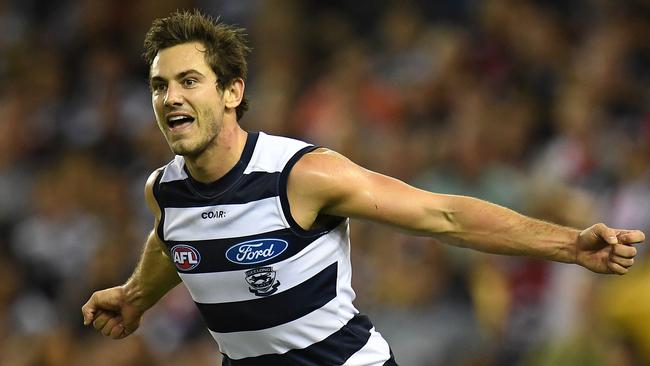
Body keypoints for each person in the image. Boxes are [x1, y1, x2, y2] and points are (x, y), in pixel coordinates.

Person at [81, 9, 645, 366]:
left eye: (189, 81)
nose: (170, 97)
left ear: (232, 91)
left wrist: (568, 245)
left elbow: (444, 215)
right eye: (159, 85)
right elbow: (172, 241)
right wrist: (134, 297)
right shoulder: (164, 191)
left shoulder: (301, 175)